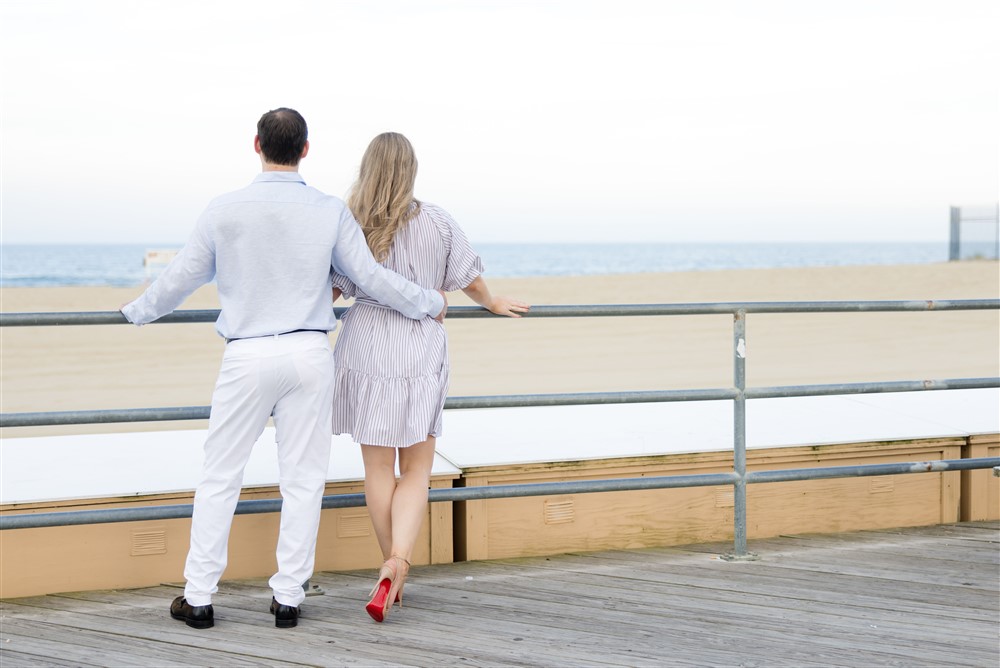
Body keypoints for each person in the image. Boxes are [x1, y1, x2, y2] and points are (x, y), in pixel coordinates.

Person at [120, 110, 447, 630]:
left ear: (257, 145)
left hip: (247, 355)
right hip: (309, 354)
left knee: (220, 476)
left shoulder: (224, 209)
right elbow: (370, 278)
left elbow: (181, 277)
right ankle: (288, 598)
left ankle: (199, 597)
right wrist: (428, 301)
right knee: (303, 479)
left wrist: (135, 312)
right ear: (306, 149)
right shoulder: (327, 211)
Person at [329, 132, 530, 622]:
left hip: (367, 345)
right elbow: (469, 278)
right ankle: (397, 561)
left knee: (378, 470)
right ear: (411, 170)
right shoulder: (437, 220)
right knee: (417, 469)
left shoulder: (350, 221)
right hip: (419, 345)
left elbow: (331, 290)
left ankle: (389, 572)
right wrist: (492, 302)